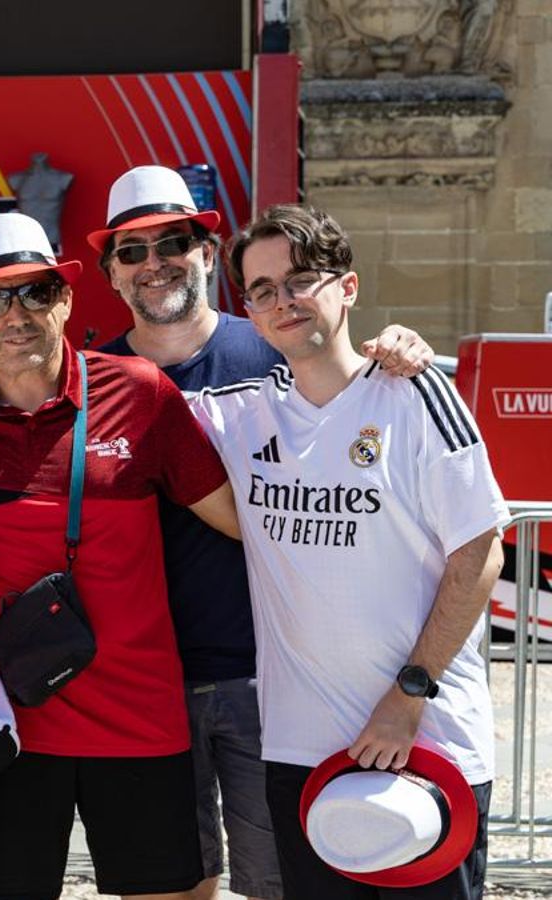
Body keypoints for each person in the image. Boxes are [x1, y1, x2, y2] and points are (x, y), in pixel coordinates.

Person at [86, 166, 434, 900]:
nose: (155, 263)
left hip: (273, 682)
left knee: (285, 885)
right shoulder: (90, 380)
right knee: (166, 887)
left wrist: (401, 348)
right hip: (143, 683)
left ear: (208, 253)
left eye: (173, 241)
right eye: (132, 250)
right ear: (111, 273)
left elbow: (362, 415)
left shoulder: (279, 345)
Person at [187, 204, 507, 900]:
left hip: (426, 740)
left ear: (349, 288)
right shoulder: (238, 414)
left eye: (300, 280)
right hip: (304, 754)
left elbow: (481, 553)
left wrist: (408, 694)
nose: (283, 302)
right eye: (263, 290)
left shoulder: (417, 394)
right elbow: (118, 396)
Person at [0, 211, 241, 900]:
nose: (16, 316)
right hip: (7, 722)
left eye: (36, 293)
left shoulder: (139, 391)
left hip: (138, 718)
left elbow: (245, 525)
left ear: (67, 300)